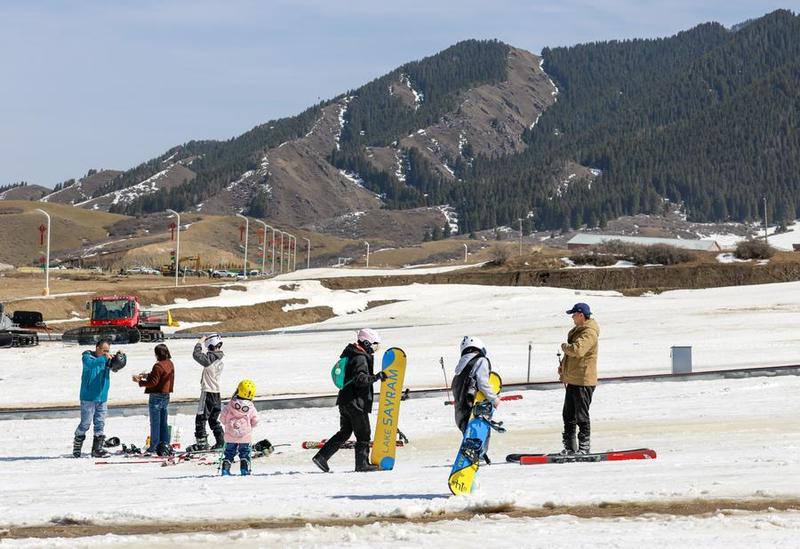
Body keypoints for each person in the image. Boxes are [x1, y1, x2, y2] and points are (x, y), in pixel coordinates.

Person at [312, 328, 387, 473]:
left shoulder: (352, 354)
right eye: (374, 345)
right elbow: (360, 379)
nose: (374, 349)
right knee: (363, 433)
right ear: (366, 342)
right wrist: (376, 377)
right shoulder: (360, 357)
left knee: (345, 432)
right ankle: (362, 464)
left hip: (345, 400)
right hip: (355, 402)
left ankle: (321, 457)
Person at [558, 302, 600, 455]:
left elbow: (577, 350)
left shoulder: (589, 332)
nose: (572, 317)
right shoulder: (579, 331)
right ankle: (570, 446)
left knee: (581, 415)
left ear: (581, 315)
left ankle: (584, 447)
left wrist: (564, 347)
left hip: (583, 381)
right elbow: (572, 357)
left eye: (574, 314)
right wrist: (564, 368)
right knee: (568, 414)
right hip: (574, 379)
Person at [451, 335, 500, 463]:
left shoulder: (460, 368)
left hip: (460, 411)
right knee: (480, 435)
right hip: (474, 408)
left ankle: (471, 458)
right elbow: (482, 383)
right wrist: (494, 398)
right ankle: (478, 456)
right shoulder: (481, 361)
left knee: (469, 439)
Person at [73, 339, 113, 458]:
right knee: (85, 423)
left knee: (100, 423)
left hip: (102, 396)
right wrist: (104, 358)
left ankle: (97, 449)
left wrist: (119, 358)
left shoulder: (106, 359)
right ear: (97, 348)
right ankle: (77, 443)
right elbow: (91, 365)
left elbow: (116, 367)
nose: (106, 353)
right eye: (104, 350)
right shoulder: (87, 357)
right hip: (88, 397)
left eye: (108, 351)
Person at [133, 343, 175, 456]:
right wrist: (146, 375)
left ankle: (154, 446)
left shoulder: (158, 366)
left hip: (156, 396)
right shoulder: (170, 363)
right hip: (166, 395)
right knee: (163, 422)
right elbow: (158, 376)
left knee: (155, 423)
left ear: (157, 354)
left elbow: (153, 382)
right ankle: (165, 445)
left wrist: (140, 382)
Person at [188, 333, 225, 451]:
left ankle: (201, 444)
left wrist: (199, 343)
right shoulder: (220, 358)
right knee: (213, 419)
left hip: (208, 392)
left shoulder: (210, 360)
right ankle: (221, 442)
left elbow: (196, 355)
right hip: (217, 393)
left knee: (200, 418)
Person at [219, 379, 259, 476]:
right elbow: (255, 420)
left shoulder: (230, 405)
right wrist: (251, 426)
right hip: (245, 436)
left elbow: (222, 418)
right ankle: (244, 469)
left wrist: (227, 424)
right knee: (244, 452)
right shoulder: (251, 408)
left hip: (230, 435)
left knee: (229, 452)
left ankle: (225, 469)